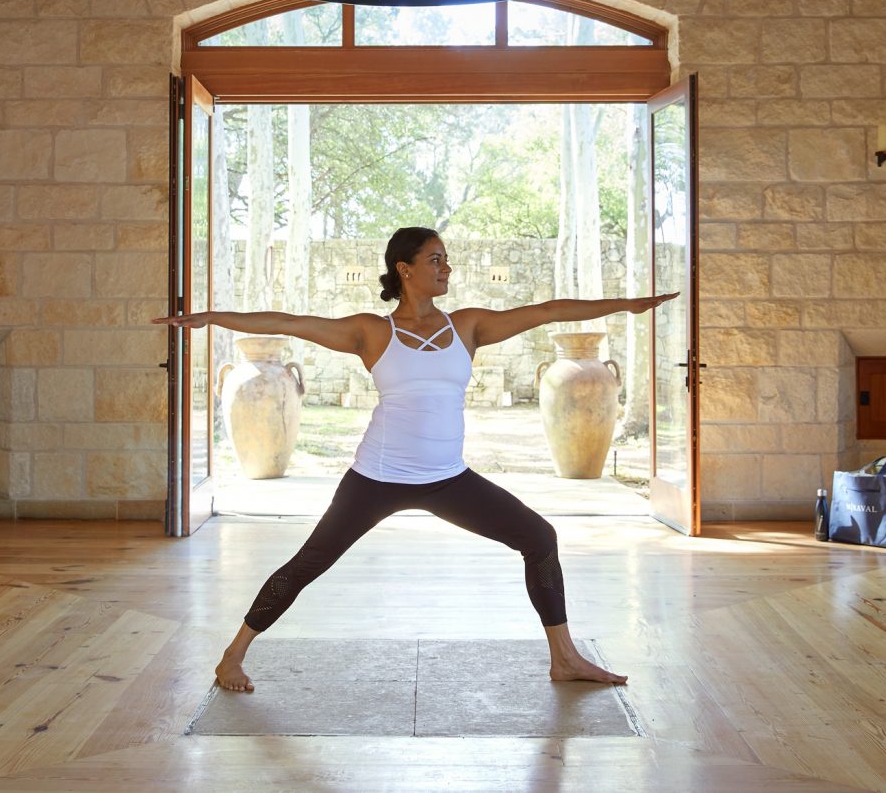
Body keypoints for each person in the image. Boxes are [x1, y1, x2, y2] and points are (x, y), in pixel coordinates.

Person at [153, 226, 677, 693]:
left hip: (448, 479)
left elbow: (548, 311)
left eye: (446, 259)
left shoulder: (468, 326)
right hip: (376, 478)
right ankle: (232, 656)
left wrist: (625, 305)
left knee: (539, 538)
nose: (446, 267)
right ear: (404, 269)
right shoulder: (371, 331)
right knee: (309, 563)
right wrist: (211, 318)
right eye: (435, 259)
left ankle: (564, 659)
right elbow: (291, 322)